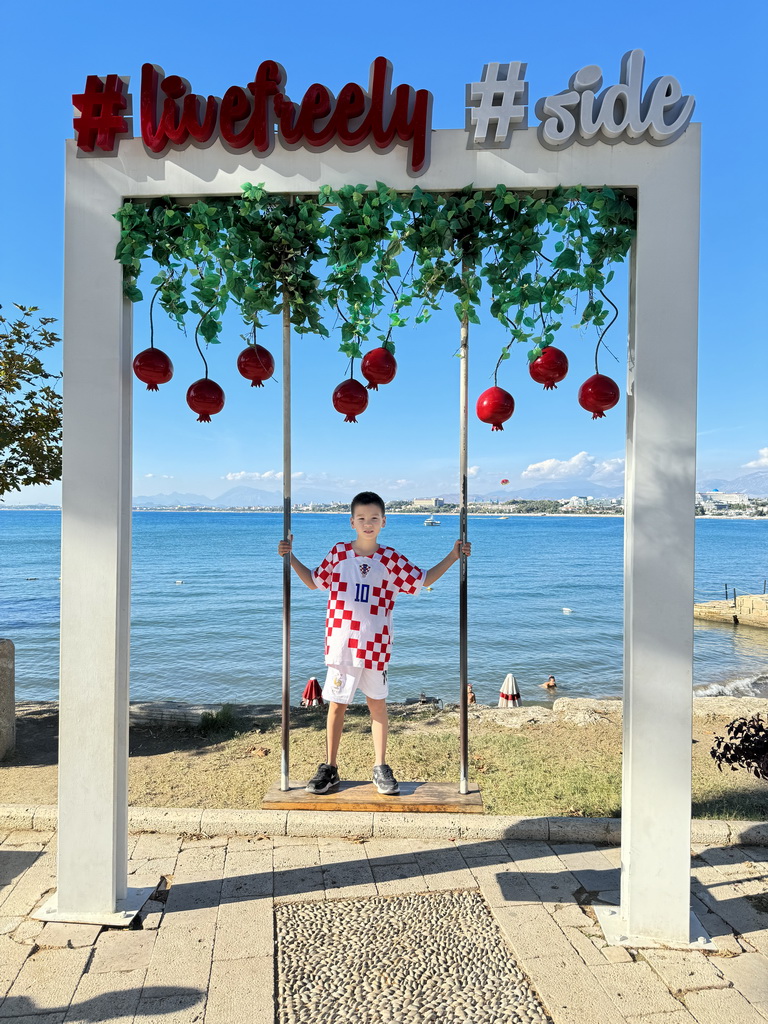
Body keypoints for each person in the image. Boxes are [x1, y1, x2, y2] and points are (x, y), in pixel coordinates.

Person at [277, 491, 471, 796]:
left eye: (374, 518)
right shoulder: (339, 554)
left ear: (383, 522)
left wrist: (453, 556)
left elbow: (423, 580)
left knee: (377, 706)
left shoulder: (390, 559)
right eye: (362, 518)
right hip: (341, 645)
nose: (368, 524)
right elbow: (313, 580)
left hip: (376, 647)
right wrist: (290, 556)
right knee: (337, 706)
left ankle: (380, 767)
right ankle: (330, 768)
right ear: (352, 521)